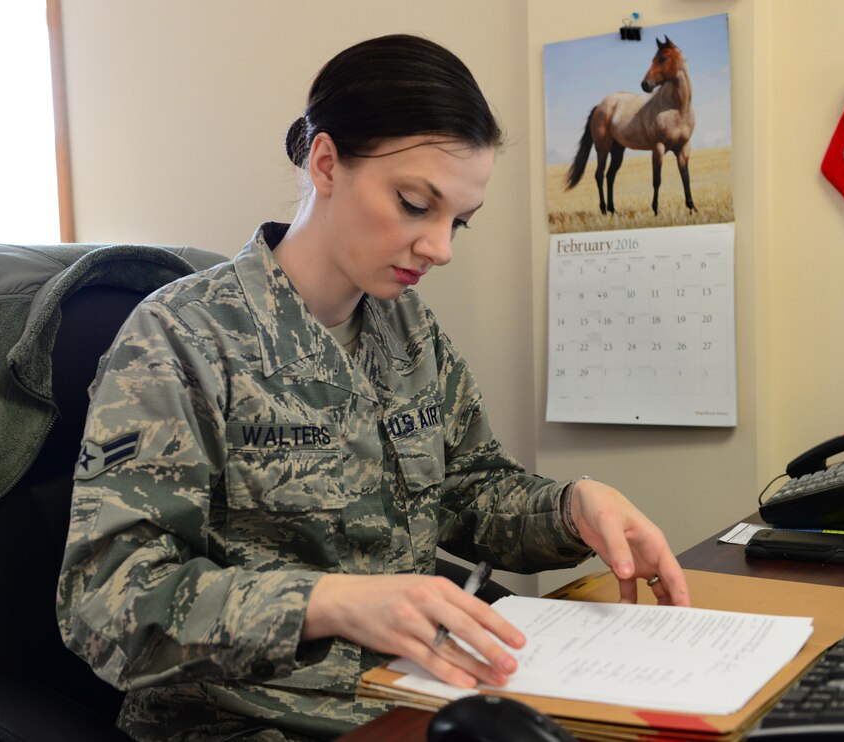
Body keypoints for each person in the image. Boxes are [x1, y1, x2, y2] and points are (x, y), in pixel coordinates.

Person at [57, 33, 690, 742]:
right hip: (241, 724)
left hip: (411, 703)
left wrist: (574, 506)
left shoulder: (404, 326)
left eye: (459, 222)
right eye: (416, 204)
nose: (441, 248)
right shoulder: (181, 339)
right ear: (325, 162)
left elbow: (472, 493)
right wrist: (326, 603)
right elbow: (106, 605)